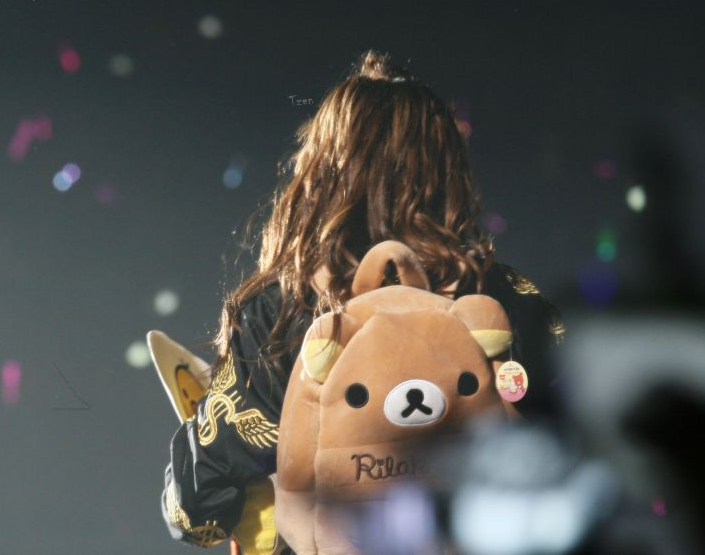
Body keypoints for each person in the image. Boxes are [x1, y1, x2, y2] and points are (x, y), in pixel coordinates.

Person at [161, 50, 564, 550]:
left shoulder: (280, 314)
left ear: (320, 172)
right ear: (449, 173)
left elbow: (195, 509)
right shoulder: (511, 301)